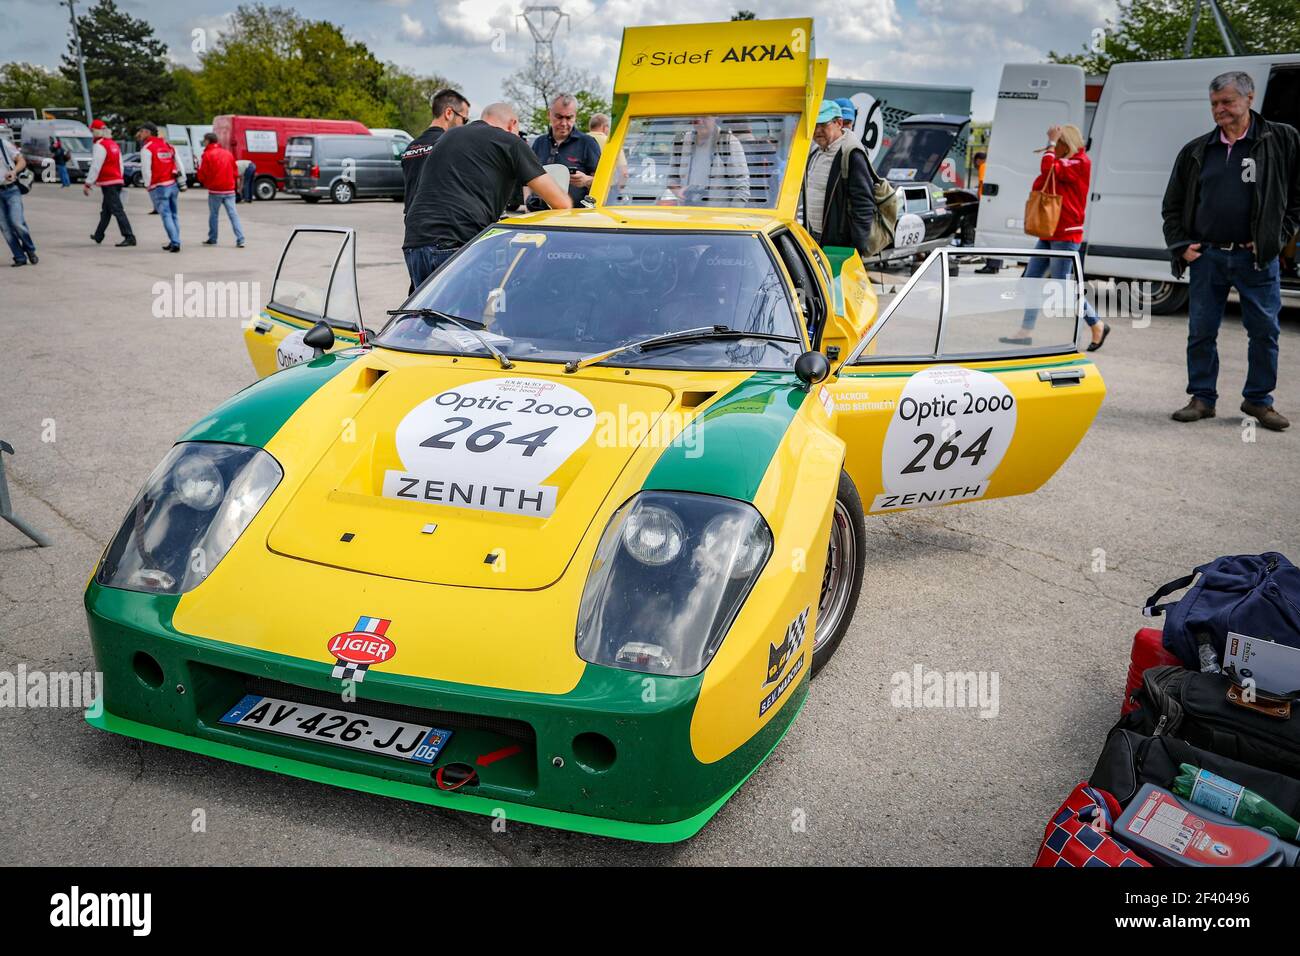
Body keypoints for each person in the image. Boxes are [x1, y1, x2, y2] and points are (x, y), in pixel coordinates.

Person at [1163, 70, 1299, 431]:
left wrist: (1275, 235)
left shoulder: (1282, 139)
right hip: (1208, 256)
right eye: (1214, 104)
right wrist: (1180, 245)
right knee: (1202, 331)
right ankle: (1202, 398)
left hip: (1257, 259)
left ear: (1249, 98)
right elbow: (1172, 206)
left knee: (1265, 332)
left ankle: (1258, 401)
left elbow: (1296, 198)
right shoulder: (1196, 150)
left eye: (1227, 102)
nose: (1219, 110)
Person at [402, 102, 572, 288]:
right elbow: (561, 203)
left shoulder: (449, 136)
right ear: (512, 124)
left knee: (427, 314)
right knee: (468, 315)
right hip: (456, 243)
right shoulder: (509, 141)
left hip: (415, 243)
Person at [998, 124, 1107, 350]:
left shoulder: (1080, 162)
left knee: (1062, 285)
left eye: (1058, 145)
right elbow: (1042, 179)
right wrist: (1051, 157)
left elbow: (1048, 168)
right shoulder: (1063, 164)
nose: (1053, 149)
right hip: (1050, 231)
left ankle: (1096, 324)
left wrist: (1050, 144)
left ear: (1065, 144)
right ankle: (1026, 331)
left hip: (1066, 234)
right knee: (1032, 279)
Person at [800, 100, 874, 259]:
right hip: (813, 237)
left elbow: (864, 204)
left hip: (839, 245)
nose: (817, 131)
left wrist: (856, 249)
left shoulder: (852, 154)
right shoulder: (816, 153)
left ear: (839, 123)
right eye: (814, 125)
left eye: (823, 125)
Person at [401, 88, 470, 215]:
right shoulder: (451, 144)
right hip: (440, 223)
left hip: (412, 223)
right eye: (464, 120)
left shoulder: (410, 148)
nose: (464, 126)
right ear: (449, 113)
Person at [529, 94, 600, 207]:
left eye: (569, 118)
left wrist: (587, 180)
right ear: (549, 115)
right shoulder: (539, 143)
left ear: (575, 116)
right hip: (540, 216)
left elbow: (603, 183)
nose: (563, 123)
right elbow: (528, 178)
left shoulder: (588, 143)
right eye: (559, 117)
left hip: (575, 218)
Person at [666, 114, 751, 205]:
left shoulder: (728, 142)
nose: (699, 120)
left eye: (704, 116)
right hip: (687, 215)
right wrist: (678, 191)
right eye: (695, 116)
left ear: (715, 116)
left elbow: (741, 190)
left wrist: (730, 216)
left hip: (716, 216)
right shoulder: (681, 142)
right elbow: (671, 179)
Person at [136, 121, 186, 252]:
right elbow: (179, 164)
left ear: (148, 132)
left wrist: (147, 185)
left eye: (141, 131)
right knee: (174, 214)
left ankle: (175, 242)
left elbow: (146, 170)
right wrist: (183, 180)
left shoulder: (147, 148)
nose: (139, 134)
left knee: (166, 215)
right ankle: (175, 240)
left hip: (159, 186)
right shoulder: (168, 145)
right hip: (173, 184)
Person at [85, 118, 135, 247]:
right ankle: (98, 235)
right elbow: (121, 164)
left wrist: (88, 183)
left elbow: (96, 165)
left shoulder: (100, 145)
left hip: (108, 182)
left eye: (92, 131)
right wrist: (120, 178)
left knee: (117, 210)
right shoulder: (113, 144)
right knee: (106, 210)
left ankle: (129, 236)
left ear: (96, 131)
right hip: (117, 180)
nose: (92, 134)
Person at [197, 132, 244, 248]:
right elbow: (235, 171)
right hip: (229, 189)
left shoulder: (207, 154)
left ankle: (213, 238)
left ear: (208, 141)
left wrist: (205, 183)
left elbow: (203, 173)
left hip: (215, 190)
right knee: (233, 215)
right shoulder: (227, 153)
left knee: (214, 215)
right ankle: (240, 239)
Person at [0, 135, 37, 266]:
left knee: (17, 222)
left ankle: (30, 249)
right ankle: (19, 257)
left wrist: (14, 171)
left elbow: (21, 160)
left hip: (10, 189)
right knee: (5, 228)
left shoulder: (3, 144)